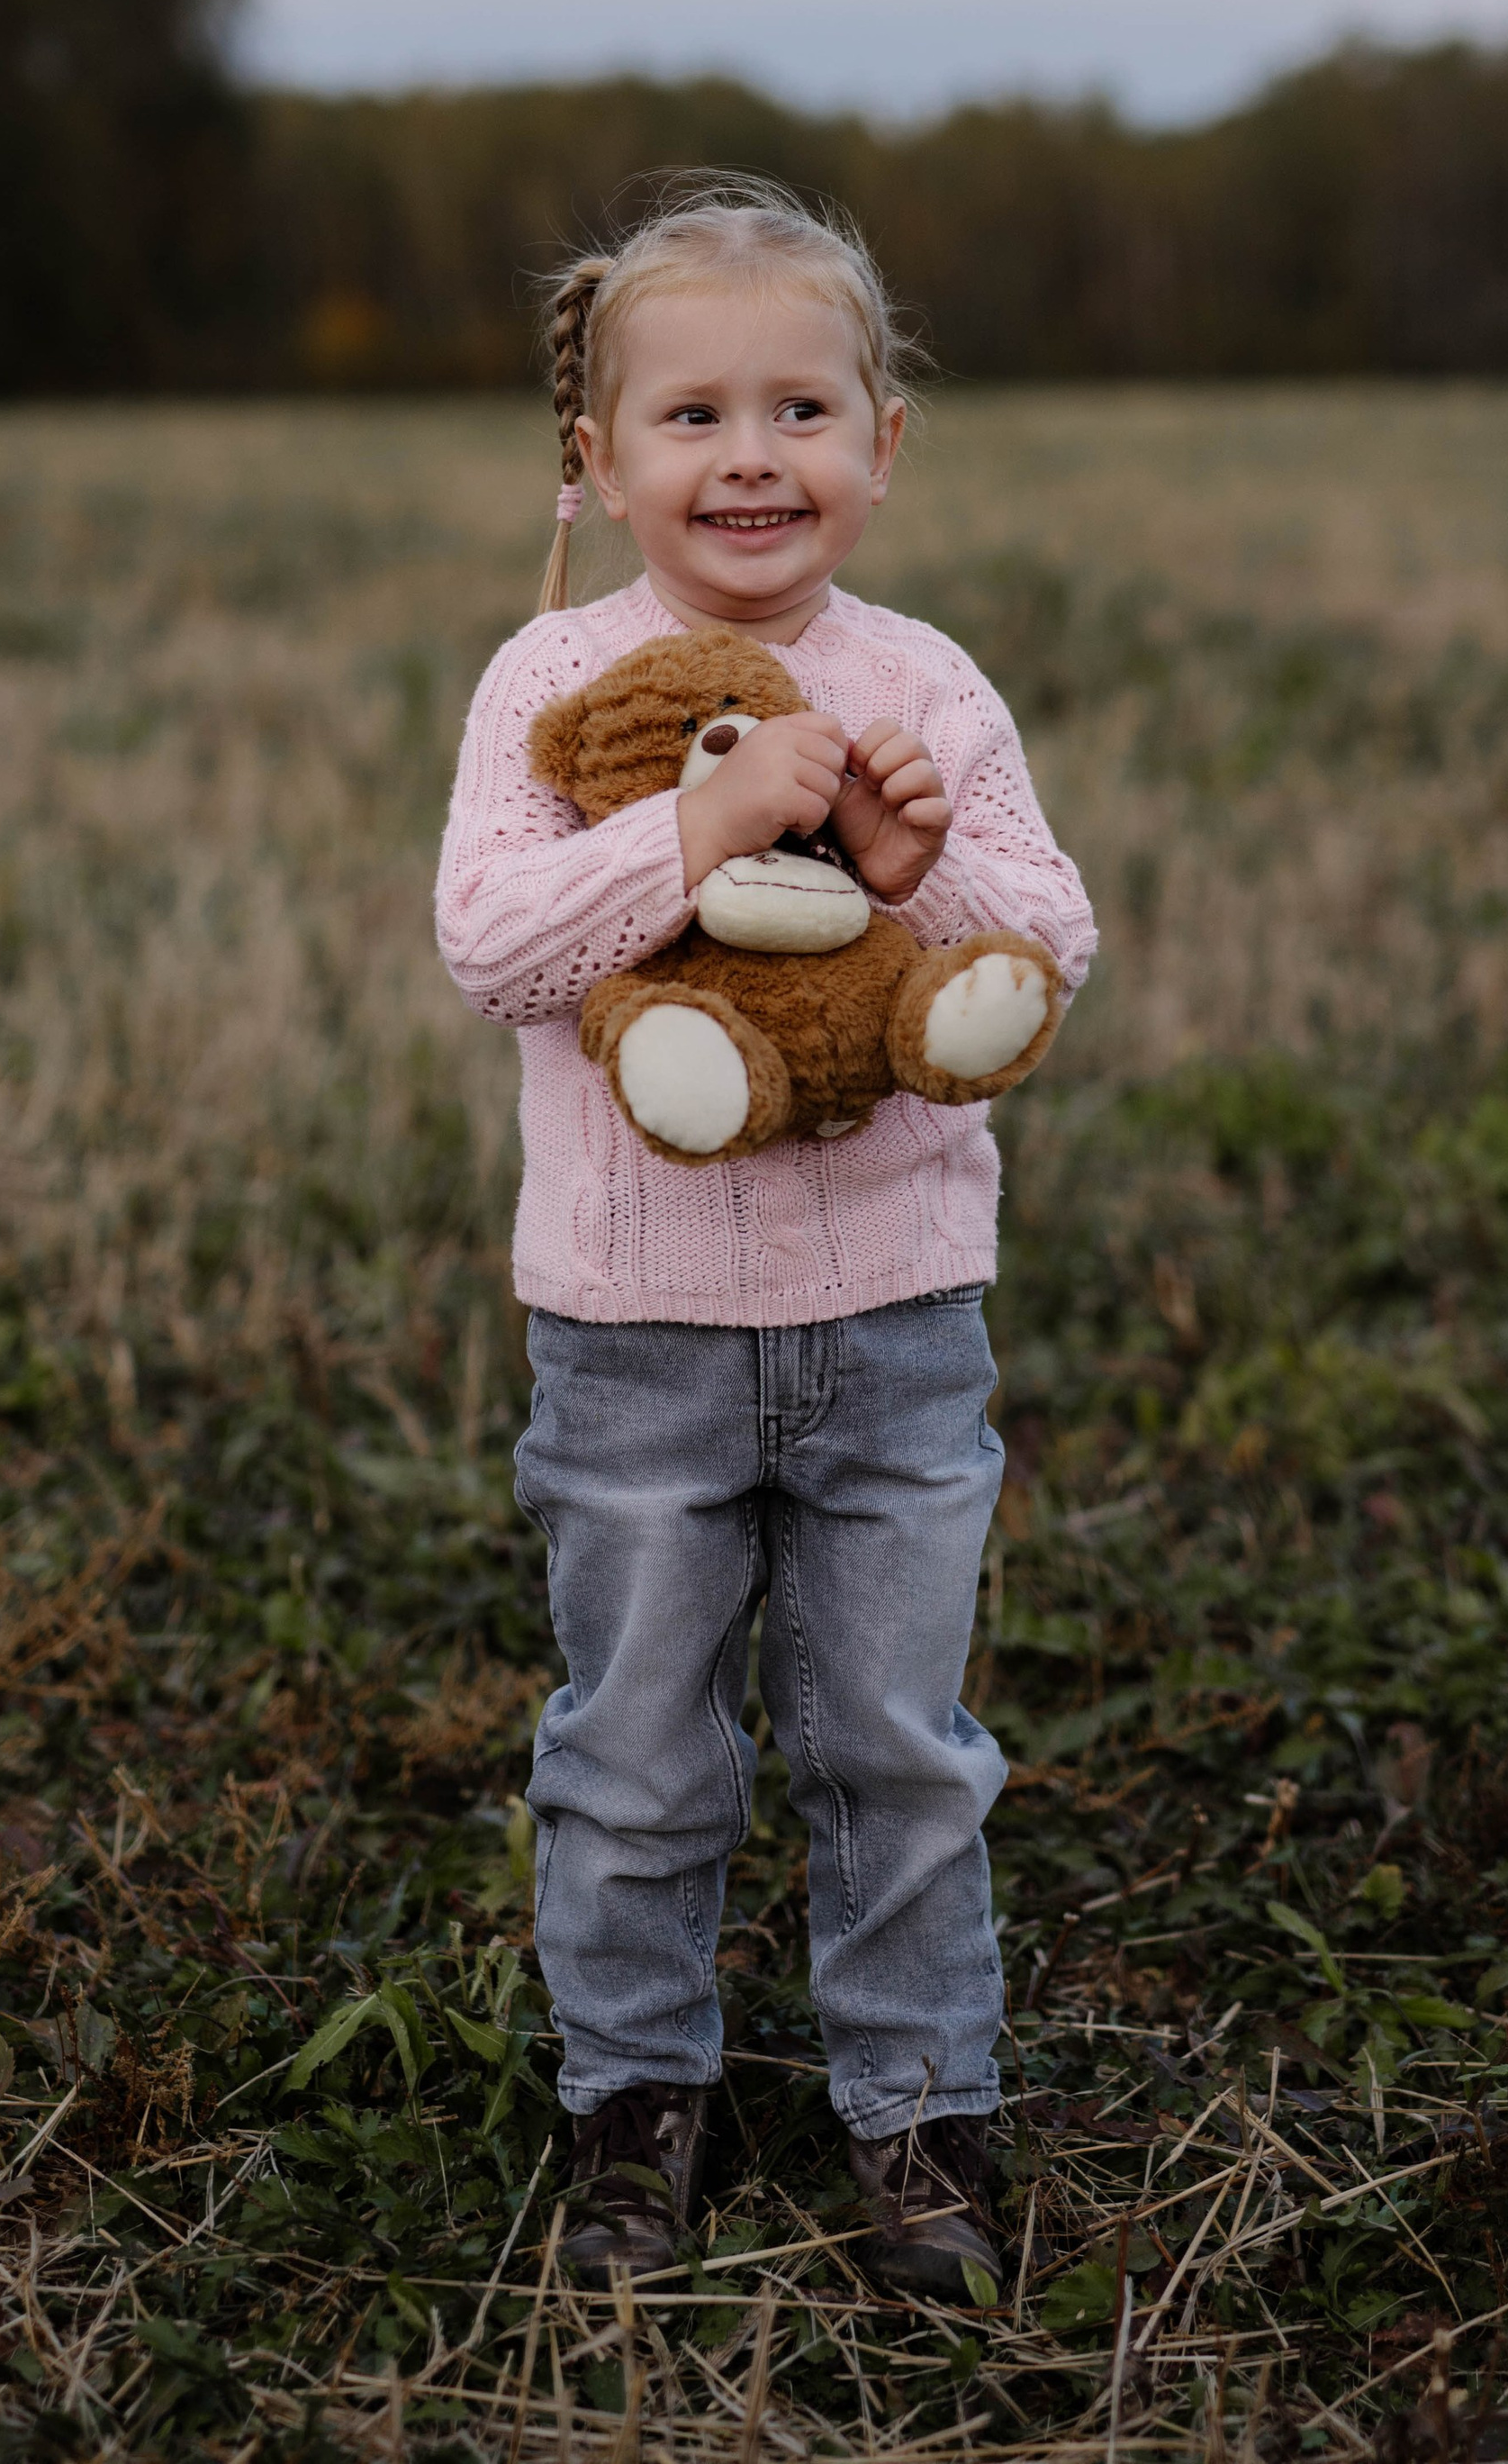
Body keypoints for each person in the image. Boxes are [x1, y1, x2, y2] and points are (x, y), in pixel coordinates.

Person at [434, 181, 1095, 2300]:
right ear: (598, 458)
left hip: (898, 1323)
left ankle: (918, 2117)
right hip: (632, 1335)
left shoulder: (927, 687)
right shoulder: (555, 681)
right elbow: (493, 946)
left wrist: (910, 879)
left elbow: (1048, 946)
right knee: (633, 1750)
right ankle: (637, 2103)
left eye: (800, 407)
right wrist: (690, 829)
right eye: (692, 413)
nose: (747, 457)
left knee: (892, 1741)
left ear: (880, 445)